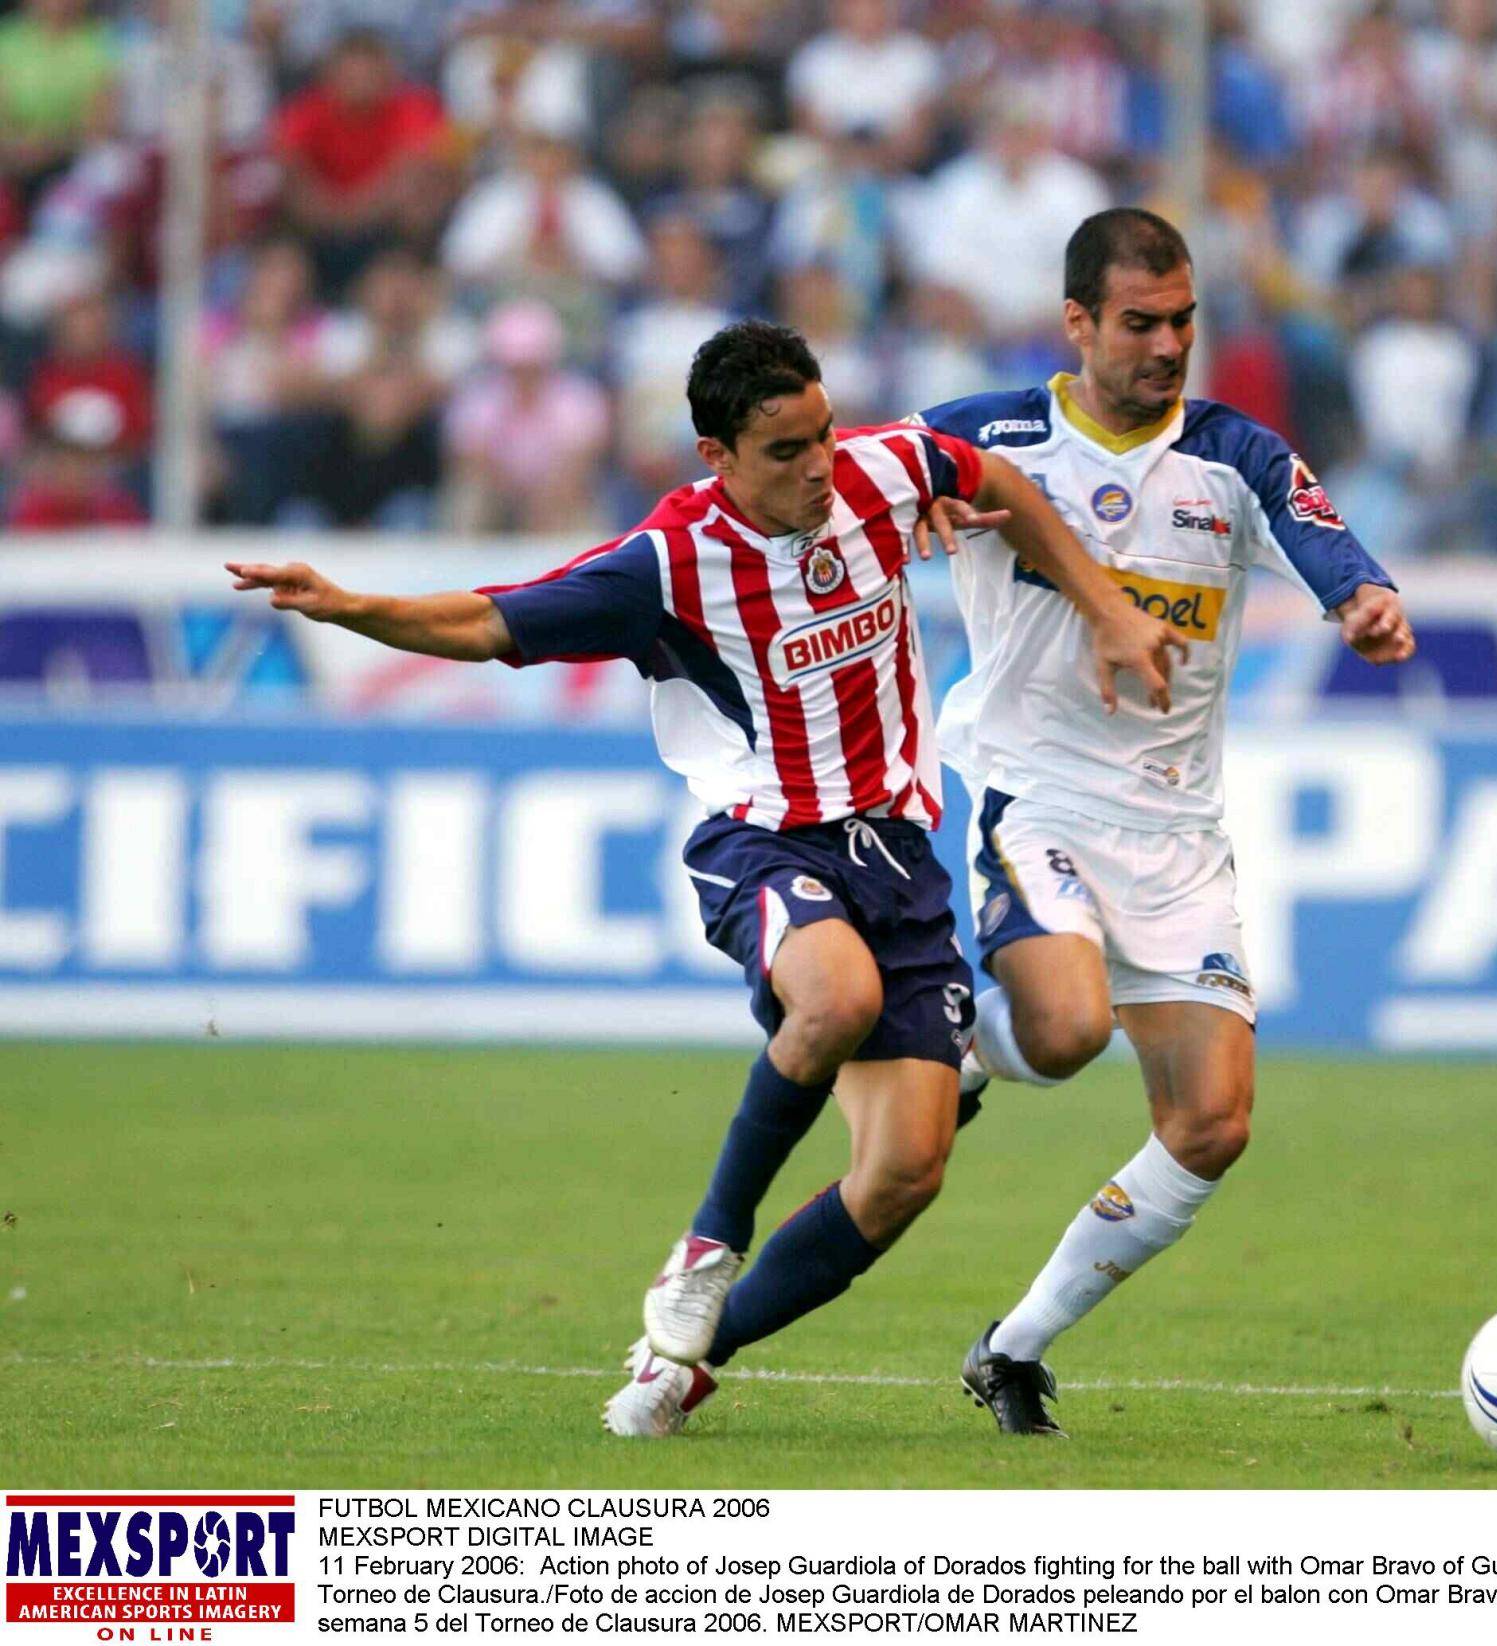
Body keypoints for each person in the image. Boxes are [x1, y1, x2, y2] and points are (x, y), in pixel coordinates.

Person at [223, 319, 1182, 1437]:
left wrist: (1106, 606)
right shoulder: (669, 561)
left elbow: (992, 473)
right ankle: (709, 1240)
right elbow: (490, 619)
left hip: (901, 857)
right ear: (715, 455)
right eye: (784, 450)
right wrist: (350, 607)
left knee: (904, 1171)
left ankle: (682, 1360)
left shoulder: (882, 470)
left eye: (822, 433)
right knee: (836, 997)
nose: (818, 464)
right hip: (765, 839)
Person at [907, 209, 1414, 1436]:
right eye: (1138, 322)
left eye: (1183, 320)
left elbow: (1330, 545)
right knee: (1072, 1028)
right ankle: (976, 1047)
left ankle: (1012, 1346)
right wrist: (905, 506)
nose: (1166, 344)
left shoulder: (1235, 454)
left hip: (1179, 838)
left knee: (1211, 1121)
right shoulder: (982, 437)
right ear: (1076, 322)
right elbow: (839, 487)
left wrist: (1366, 603)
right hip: (1043, 802)